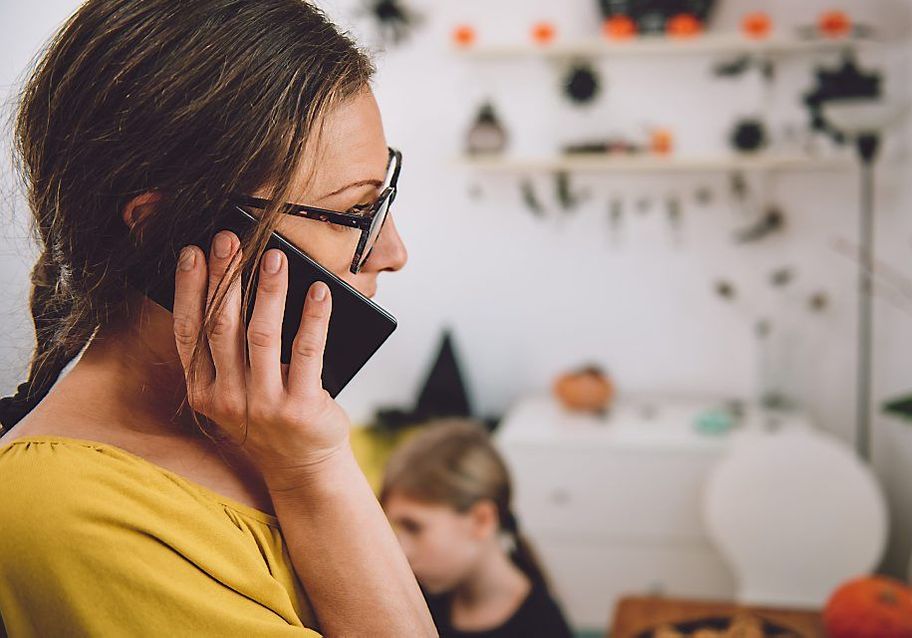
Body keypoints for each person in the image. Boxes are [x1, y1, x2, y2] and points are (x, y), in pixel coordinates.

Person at [0, 0, 436, 635]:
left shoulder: (276, 421)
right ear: (165, 232)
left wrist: (315, 461)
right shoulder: (65, 508)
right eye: (354, 213)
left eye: (383, 196)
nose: (394, 253)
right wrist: (313, 474)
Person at [381, 420, 573, 638]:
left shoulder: (543, 628)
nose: (401, 551)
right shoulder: (420, 600)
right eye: (396, 529)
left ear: (481, 520)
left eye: (414, 528)